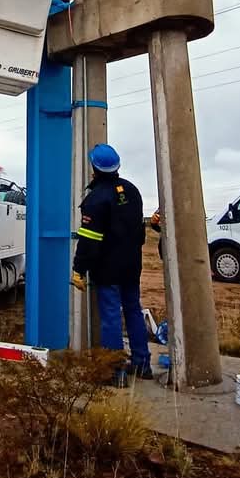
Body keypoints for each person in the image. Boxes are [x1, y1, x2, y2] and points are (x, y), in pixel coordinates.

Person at [72, 144, 153, 383]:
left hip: (107, 269)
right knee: (133, 311)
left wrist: (79, 270)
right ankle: (142, 364)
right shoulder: (132, 191)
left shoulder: (96, 200)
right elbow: (139, 232)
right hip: (131, 266)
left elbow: (89, 241)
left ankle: (115, 372)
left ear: (94, 168)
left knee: (110, 318)